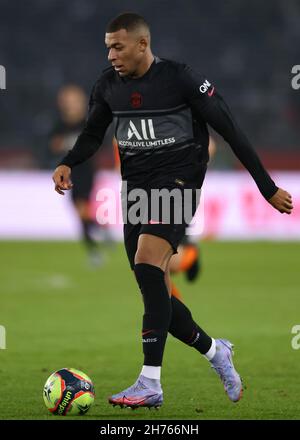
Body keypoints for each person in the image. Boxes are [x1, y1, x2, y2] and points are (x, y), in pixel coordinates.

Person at [52, 13, 293, 409]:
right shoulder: (108, 86)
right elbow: (93, 134)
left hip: (179, 181)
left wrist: (267, 187)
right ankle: (216, 351)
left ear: (142, 45)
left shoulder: (180, 79)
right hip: (136, 191)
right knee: (155, 292)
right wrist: (67, 161)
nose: (111, 54)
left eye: (118, 46)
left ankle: (150, 382)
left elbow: (230, 128)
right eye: (108, 47)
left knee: (148, 265)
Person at [48, 84, 103, 266]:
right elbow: (53, 145)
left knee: (81, 208)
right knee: (79, 211)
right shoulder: (60, 124)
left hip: (86, 170)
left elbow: (96, 143)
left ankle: (94, 251)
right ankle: (102, 231)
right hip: (70, 172)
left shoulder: (87, 122)